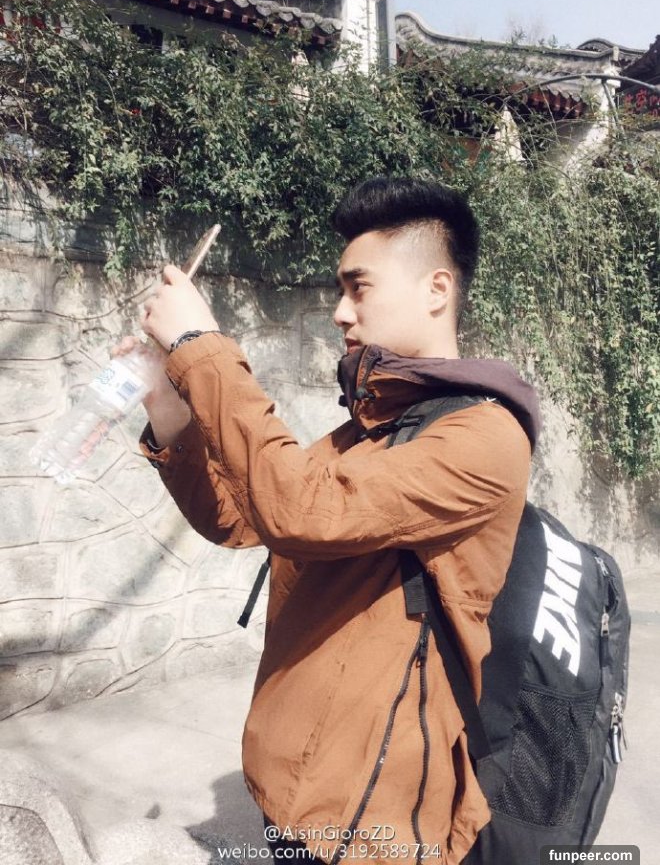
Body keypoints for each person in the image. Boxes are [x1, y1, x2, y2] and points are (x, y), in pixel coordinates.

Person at [126, 177, 540, 865]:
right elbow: (239, 518)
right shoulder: (374, 431)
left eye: (359, 287)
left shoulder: (482, 437)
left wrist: (200, 343)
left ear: (437, 289)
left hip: (370, 818)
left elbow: (299, 512)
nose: (341, 312)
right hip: (294, 787)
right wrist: (168, 408)